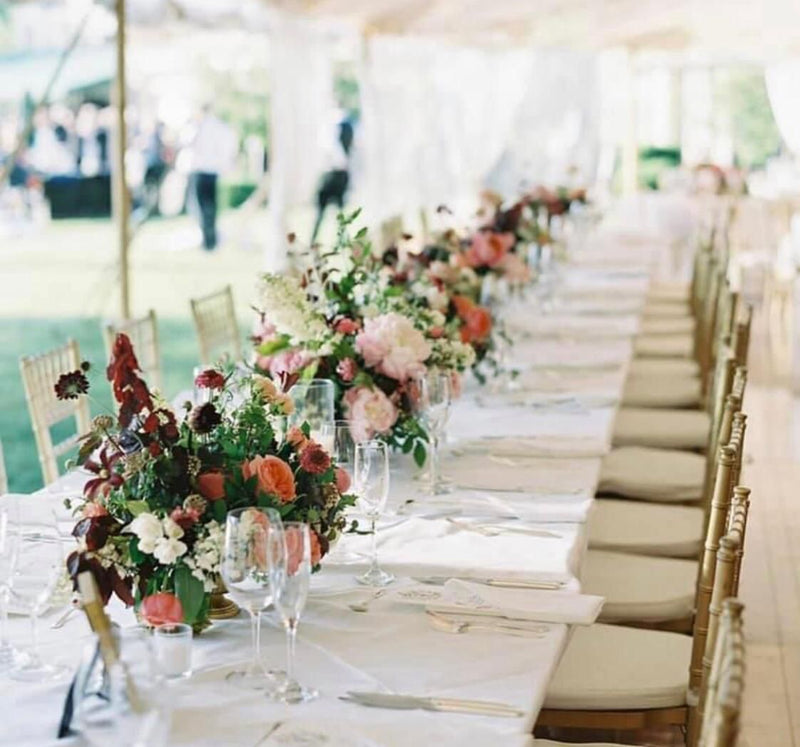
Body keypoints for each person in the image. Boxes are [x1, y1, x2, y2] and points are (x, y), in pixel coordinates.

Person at [187, 105, 237, 250]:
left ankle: (208, 241)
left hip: (202, 170)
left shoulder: (200, 127)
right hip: (213, 170)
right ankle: (211, 240)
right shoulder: (219, 127)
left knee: (203, 206)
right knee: (210, 206)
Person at [310, 112, 354, 244]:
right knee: (333, 212)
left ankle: (340, 240)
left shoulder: (334, 126)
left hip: (334, 174)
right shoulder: (343, 126)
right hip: (337, 173)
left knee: (335, 212)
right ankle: (337, 240)